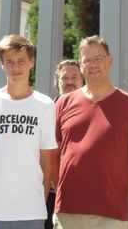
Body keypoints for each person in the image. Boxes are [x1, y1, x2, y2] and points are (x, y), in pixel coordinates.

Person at [54, 35, 128, 229]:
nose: (93, 64)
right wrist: (60, 187)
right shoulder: (63, 103)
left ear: (109, 61)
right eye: (87, 59)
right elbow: (52, 154)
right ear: (81, 64)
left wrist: (122, 193)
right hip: (68, 211)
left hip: (111, 214)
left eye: (98, 58)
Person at [0, 34, 57, 227]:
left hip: (30, 213)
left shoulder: (45, 105)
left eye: (21, 61)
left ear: (32, 62)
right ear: (2, 64)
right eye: (9, 61)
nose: (16, 67)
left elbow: (47, 164)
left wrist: (37, 202)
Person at [46, 59, 85, 229]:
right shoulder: (45, 110)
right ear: (57, 82)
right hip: (49, 194)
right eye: (64, 78)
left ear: (83, 80)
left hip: (83, 192)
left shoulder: (92, 110)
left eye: (74, 77)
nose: (69, 82)